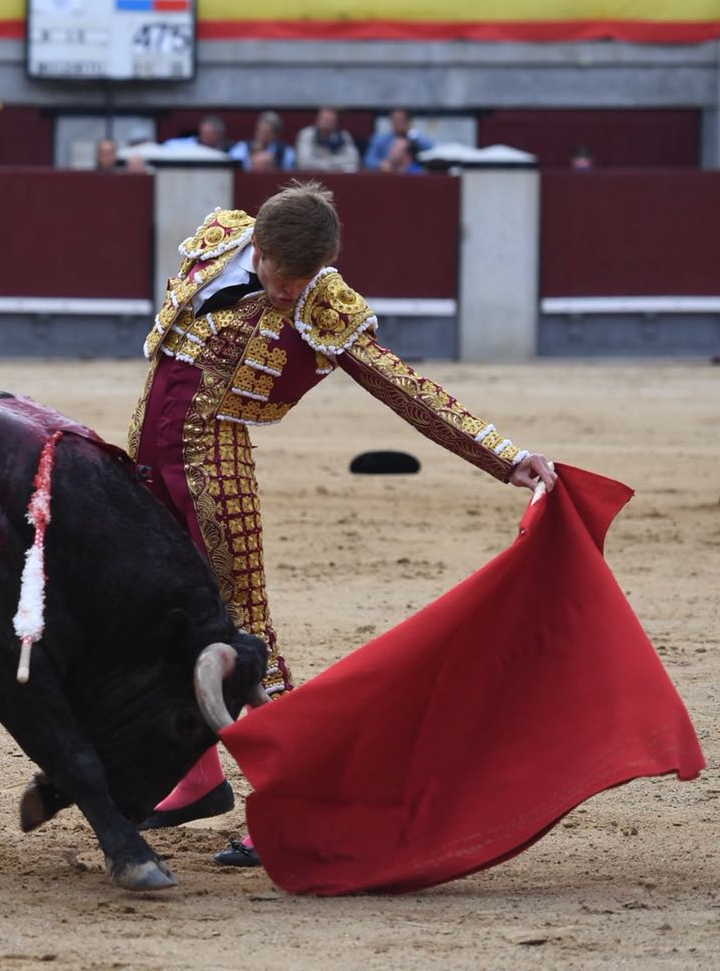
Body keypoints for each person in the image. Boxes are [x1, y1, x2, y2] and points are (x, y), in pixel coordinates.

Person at [129, 182, 555, 860]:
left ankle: (300, 797)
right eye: (282, 279)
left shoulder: (324, 301)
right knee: (160, 614)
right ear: (257, 247)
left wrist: (504, 458)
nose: (289, 293)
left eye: (303, 282)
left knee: (245, 628)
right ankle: (198, 775)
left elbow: (404, 387)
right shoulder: (217, 241)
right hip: (147, 456)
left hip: (215, 465)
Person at [362, 106, 432, 168]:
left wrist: (412, 132)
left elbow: (429, 148)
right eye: (395, 120)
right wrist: (381, 164)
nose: (398, 123)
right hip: (386, 174)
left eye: (402, 120)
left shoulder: (414, 138)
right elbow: (368, 160)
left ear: (408, 121)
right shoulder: (380, 139)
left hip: (409, 173)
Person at [293, 106, 358, 170]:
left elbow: (353, 160)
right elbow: (304, 163)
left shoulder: (344, 136)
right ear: (317, 120)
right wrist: (335, 164)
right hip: (313, 175)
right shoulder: (306, 134)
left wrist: (326, 161)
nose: (326, 123)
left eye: (330, 120)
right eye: (324, 119)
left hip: (337, 174)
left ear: (335, 123)